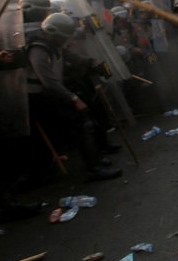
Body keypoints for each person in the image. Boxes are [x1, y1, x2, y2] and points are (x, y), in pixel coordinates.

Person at [26, 13, 122, 181]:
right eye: (62, 37)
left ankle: (95, 160)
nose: (65, 40)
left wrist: (90, 61)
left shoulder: (53, 44)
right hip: (38, 98)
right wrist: (73, 99)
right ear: (53, 33)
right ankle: (93, 168)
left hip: (51, 94)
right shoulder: (38, 49)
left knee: (84, 123)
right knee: (81, 124)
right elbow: (48, 80)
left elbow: (70, 57)